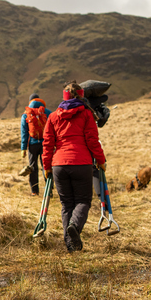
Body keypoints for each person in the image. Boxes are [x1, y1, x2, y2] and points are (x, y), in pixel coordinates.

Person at [42, 81, 106, 252]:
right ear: (82, 95)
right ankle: (74, 227)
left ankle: (70, 246)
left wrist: (46, 166)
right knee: (83, 201)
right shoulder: (86, 114)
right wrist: (101, 160)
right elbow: (92, 141)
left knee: (67, 204)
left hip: (58, 166)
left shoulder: (54, 116)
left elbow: (47, 143)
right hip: (82, 163)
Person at [19, 93, 52, 196]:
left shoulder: (26, 114)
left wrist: (23, 148)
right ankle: (49, 191)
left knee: (32, 168)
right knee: (46, 166)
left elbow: (24, 133)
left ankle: (34, 191)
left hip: (32, 145)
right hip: (45, 144)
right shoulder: (47, 112)